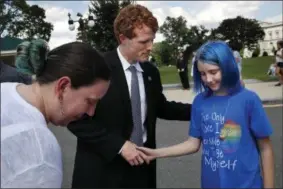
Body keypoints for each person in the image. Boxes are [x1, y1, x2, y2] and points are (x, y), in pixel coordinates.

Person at [67, 4, 191, 188]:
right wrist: (119, 146)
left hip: (142, 168)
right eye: (143, 42)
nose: (150, 47)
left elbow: (161, 107)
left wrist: (204, 108)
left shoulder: (150, 71)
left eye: (152, 40)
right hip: (102, 172)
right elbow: (75, 119)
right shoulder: (95, 69)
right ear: (123, 38)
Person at [138, 41, 275, 188]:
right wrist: (156, 153)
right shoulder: (200, 102)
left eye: (213, 72)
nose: (208, 79)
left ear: (227, 66)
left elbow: (265, 149)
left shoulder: (249, 99)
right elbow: (193, 143)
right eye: (202, 74)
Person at [1, 39, 111, 188]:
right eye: (90, 101)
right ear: (63, 86)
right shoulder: (41, 154)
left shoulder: (6, 90)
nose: (91, 113)